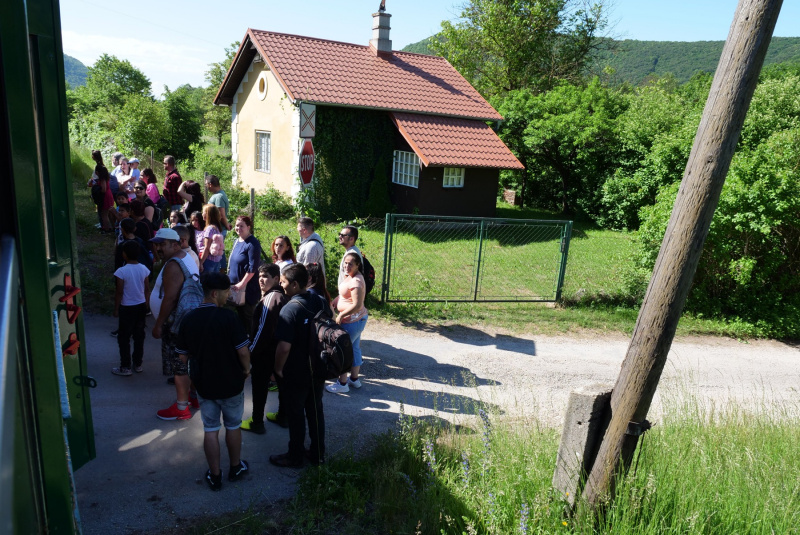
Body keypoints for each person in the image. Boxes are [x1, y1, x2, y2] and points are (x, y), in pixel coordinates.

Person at [175, 272, 251, 491]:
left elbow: (182, 356)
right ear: (216, 293)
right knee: (233, 425)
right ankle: (236, 467)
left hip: (204, 384)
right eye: (227, 292)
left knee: (210, 428)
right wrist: (246, 370)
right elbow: (243, 351)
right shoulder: (229, 318)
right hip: (231, 383)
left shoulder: (189, 319)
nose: (228, 296)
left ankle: (215, 475)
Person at [270, 264, 326, 467]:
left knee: (296, 413)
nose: (281, 285)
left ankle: (295, 456)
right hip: (318, 367)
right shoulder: (319, 300)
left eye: (283, 282)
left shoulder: (289, 309)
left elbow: (284, 348)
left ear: (295, 284)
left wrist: (277, 369)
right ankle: (318, 454)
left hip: (297, 371)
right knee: (315, 411)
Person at [149, 228, 201, 421]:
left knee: (180, 365)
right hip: (188, 321)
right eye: (156, 244)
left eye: (162, 244)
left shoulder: (173, 264)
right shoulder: (187, 257)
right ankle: (194, 399)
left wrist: (158, 325)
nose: (158, 248)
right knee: (189, 361)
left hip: (176, 323)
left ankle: (181, 408)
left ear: (176, 244)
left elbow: (170, 298)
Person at [241, 263, 287, 434]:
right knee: (282, 385)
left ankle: (257, 422)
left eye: (266, 276)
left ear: (276, 279)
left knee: (259, 387)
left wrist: (250, 351)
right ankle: (283, 416)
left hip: (265, 353)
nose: (261, 279)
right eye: (260, 276)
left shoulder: (270, 298)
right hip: (277, 352)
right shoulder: (281, 295)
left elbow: (263, 330)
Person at [326, 252, 368, 394]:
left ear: (358, 265)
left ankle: (342, 383)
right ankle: (354, 380)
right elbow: (344, 294)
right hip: (357, 320)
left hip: (352, 321)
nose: (346, 265)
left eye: (350, 263)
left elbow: (356, 304)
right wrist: (335, 302)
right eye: (345, 262)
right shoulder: (350, 277)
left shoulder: (356, 281)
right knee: (355, 348)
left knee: (342, 351)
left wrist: (341, 315)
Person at [112, 240, 151, 376]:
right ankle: (138, 364)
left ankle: (125, 366)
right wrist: (146, 304)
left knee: (124, 337)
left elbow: (119, 292)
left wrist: (116, 308)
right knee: (139, 336)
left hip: (126, 307)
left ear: (124, 255)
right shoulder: (144, 269)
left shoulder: (121, 271)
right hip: (140, 306)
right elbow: (147, 288)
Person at [228, 215, 261, 333]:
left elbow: (253, 268)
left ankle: (250, 342)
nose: (238, 228)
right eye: (237, 225)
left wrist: (241, 284)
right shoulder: (237, 241)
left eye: (241, 226)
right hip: (234, 287)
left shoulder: (253, 244)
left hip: (246, 289)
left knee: (247, 318)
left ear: (248, 227)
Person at [206, 174, 231, 271]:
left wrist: (226, 225)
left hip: (218, 229)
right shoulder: (218, 195)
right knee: (219, 249)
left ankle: (220, 270)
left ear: (210, 184)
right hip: (218, 228)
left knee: (218, 250)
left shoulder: (218, 197)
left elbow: (221, 214)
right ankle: (221, 269)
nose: (206, 187)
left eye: (206, 185)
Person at [88, 150, 114, 233]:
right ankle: (109, 227)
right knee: (106, 213)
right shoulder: (104, 174)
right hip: (107, 195)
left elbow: (103, 189)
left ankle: (106, 229)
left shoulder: (102, 179)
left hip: (105, 196)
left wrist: (97, 192)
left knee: (104, 214)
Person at [199, 204, 224, 274]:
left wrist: (201, 262)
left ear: (208, 214)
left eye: (203, 212)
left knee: (206, 282)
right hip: (216, 261)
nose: (202, 214)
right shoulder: (217, 228)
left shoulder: (209, 229)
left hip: (208, 261)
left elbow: (207, 248)